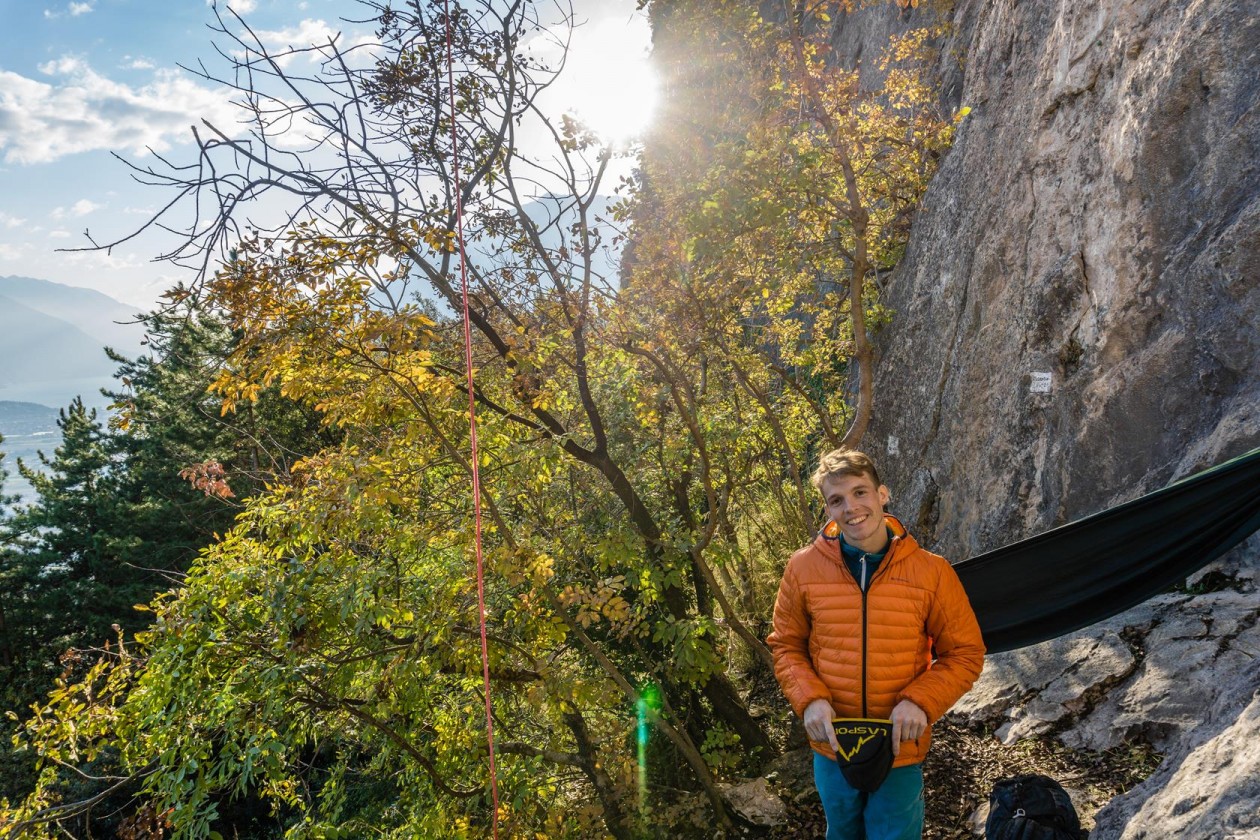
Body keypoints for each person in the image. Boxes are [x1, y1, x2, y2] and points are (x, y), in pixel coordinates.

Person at [767, 448, 985, 840]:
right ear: (828, 509)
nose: (851, 508)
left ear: (882, 494)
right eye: (837, 500)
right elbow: (786, 645)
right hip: (832, 744)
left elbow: (965, 653)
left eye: (860, 492)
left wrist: (920, 701)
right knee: (843, 833)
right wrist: (809, 698)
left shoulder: (932, 572)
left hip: (900, 745)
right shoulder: (802, 568)